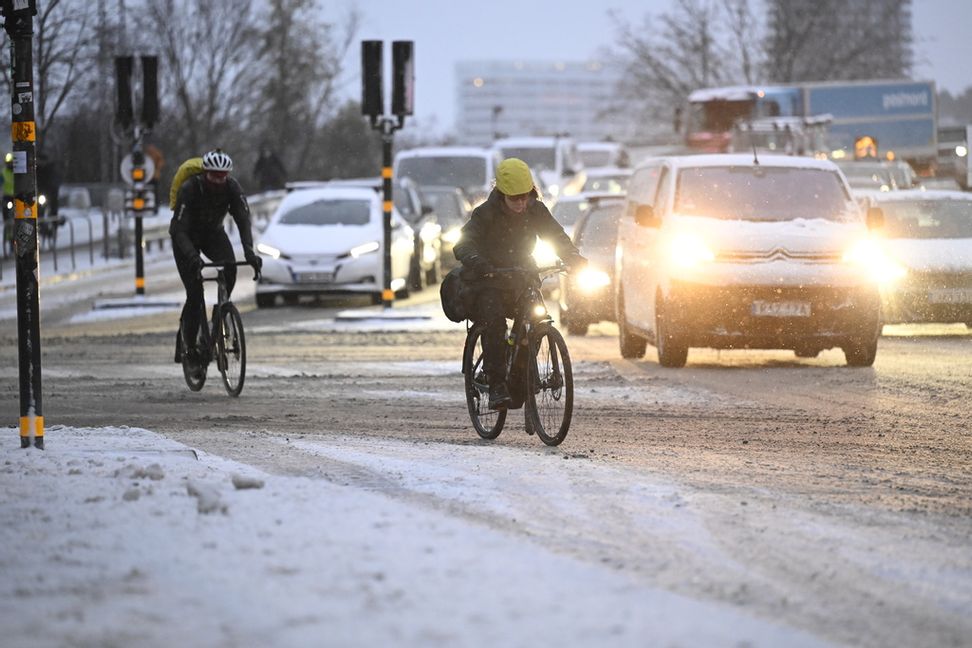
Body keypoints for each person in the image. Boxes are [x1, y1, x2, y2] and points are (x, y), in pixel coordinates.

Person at [453, 157, 587, 410]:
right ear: (502, 194)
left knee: (536, 320)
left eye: (525, 197)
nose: (521, 203)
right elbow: (463, 244)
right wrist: (480, 264)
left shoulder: (535, 210)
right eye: (515, 198)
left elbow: (555, 235)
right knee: (493, 323)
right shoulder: (485, 214)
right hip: (490, 280)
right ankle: (496, 384)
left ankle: (519, 377)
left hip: (522, 276)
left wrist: (572, 257)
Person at [169, 149, 262, 369]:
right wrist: (192, 256)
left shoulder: (232, 188)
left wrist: (249, 251)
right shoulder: (190, 188)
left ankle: (219, 313)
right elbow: (179, 229)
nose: (219, 180)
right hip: (186, 237)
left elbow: (243, 219)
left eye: (223, 176)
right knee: (194, 294)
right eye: (214, 176)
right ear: (205, 173)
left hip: (212, 234)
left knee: (230, 267)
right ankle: (189, 347)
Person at [2, 152, 13, 255]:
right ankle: (8, 241)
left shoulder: (18, 173)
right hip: (7, 198)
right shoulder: (3, 172)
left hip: (16, 198)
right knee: (7, 220)